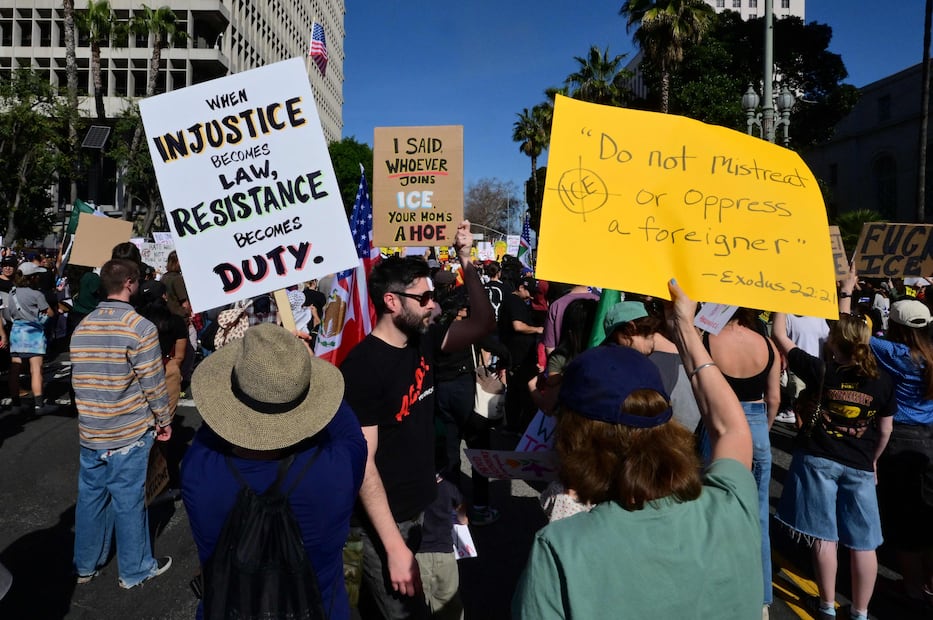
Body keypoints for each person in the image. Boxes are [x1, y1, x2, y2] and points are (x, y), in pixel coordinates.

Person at [512, 279, 761, 619]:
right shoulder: (730, 508)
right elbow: (730, 427)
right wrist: (685, 328)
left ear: (573, 438)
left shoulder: (560, 550)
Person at [339, 220, 494, 619]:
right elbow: (363, 464)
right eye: (423, 298)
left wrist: (465, 258)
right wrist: (393, 546)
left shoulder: (423, 339)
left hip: (422, 509)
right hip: (380, 526)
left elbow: (483, 324)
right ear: (392, 302)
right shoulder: (363, 368)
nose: (433, 304)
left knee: (432, 605)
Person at [181, 323, 366, 620]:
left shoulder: (198, 471)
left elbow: (211, 426)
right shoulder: (338, 469)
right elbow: (347, 427)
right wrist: (304, 367)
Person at [771, 309, 894, 620]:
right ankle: (861, 612)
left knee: (825, 536)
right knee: (864, 544)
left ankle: (826, 605)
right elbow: (886, 429)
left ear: (834, 343)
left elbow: (780, 338)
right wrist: (874, 460)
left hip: (819, 458)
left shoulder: (821, 370)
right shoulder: (883, 382)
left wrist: (780, 304)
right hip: (860, 464)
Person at [71, 259, 172, 589]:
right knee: (128, 501)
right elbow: (154, 382)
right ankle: (135, 569)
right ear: (130, 283)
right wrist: (164, 419)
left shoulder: (83, 325)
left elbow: (79, 380)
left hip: (92, 429)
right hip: (128, 428)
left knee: (91, 498)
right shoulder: (139, 327)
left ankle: (86, 565)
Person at [845, 271, 933, 609]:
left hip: (900, 437)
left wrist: (848, 291)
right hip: (929, 437)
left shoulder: (892, 351)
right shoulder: (929, 354)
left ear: (894, 325)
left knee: (904, 518)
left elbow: (849, 329)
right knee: (927, 514)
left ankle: (911, 588)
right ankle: (928, 583)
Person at [698, 306, 781, 612]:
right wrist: (762, 430)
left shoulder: (705, 340)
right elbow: (774, 399)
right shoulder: (767, 344)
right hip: (757, 427)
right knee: (758, 514)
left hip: (719, 427)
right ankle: (760, 598)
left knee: (713, 511)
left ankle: (716, 588)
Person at [8, 262, 53, 415]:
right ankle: (39, 405)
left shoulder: (12, 293)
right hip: (33, 333)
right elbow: (49, 312)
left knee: (15, 369)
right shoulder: (37, 294)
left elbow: (8, 314)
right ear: (32, 277)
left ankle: (15, 405)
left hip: (16, 332)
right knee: (36, 369)